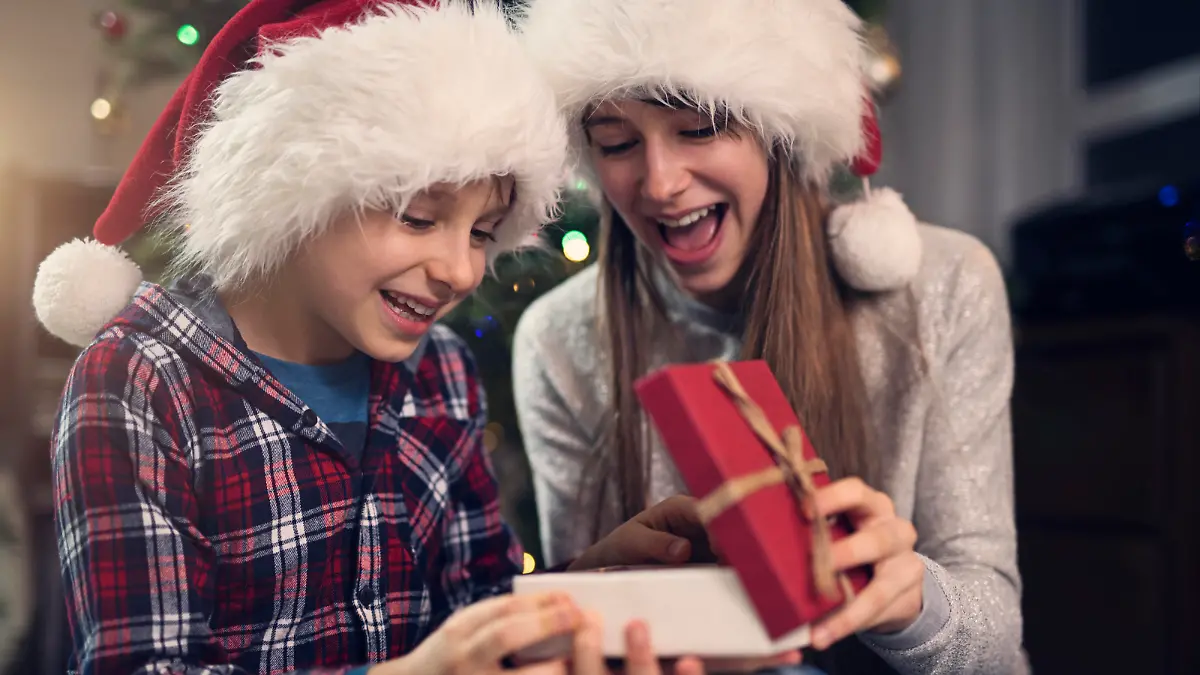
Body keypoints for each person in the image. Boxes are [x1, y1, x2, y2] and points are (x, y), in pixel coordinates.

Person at [31, 1, 752, 673]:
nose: (460, 268)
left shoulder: (442, 371)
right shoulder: (139, 377)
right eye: (416, 216)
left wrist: (599, 576)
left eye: (481, 231)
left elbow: (476, 613)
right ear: (293, 187)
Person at [512, 1, 1028, 673]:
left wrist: (912, 599)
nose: (661, 184)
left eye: (698, 128)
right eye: (615, 142)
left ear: (781, 132)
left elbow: (994, 645)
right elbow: (586, 636)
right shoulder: (557, 339)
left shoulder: (945, 284)